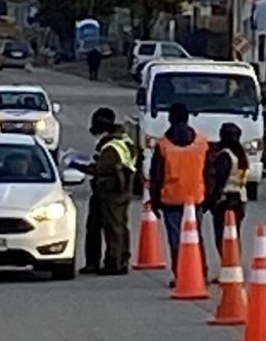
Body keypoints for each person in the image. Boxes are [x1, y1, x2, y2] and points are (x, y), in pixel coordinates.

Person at [148, 101, 210, 261]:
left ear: (170, 119)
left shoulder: (163, 145)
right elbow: (209, 173)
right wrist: (209, 198)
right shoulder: (201, 143)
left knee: (176, 240)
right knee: (196, 237)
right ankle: (200, 271)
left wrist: (154, 202)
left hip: (171, 198)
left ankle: (180, 273)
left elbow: (156, 176)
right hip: (196, 197)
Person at [82, 108, 138, 274]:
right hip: (118, 189)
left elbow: (101, 169)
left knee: (113, 226)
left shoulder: (112, 147)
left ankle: (114, 262)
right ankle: (117, 260)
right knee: (114, 225)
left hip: (112, 190)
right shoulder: (124, 140)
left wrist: (78, 165)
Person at [204, 121, 251, 234]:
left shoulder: (225, 155)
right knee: (234, 235)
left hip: (225, 200)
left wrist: (210, 200)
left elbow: (220, 180)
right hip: (240, 199)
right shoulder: (242, 155)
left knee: (222, 237)